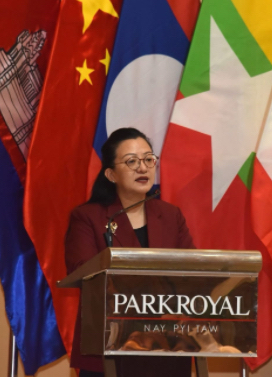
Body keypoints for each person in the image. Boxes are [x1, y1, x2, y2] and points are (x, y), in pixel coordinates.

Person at [64, 127, 195, 377]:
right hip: (110, 347)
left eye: (148, 159)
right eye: (132, 161)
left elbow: (193, 273)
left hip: (167, 347)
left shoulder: (170, 216)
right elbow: (83, 274)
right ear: (111, 174)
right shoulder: (88, 218)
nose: (142, 168)